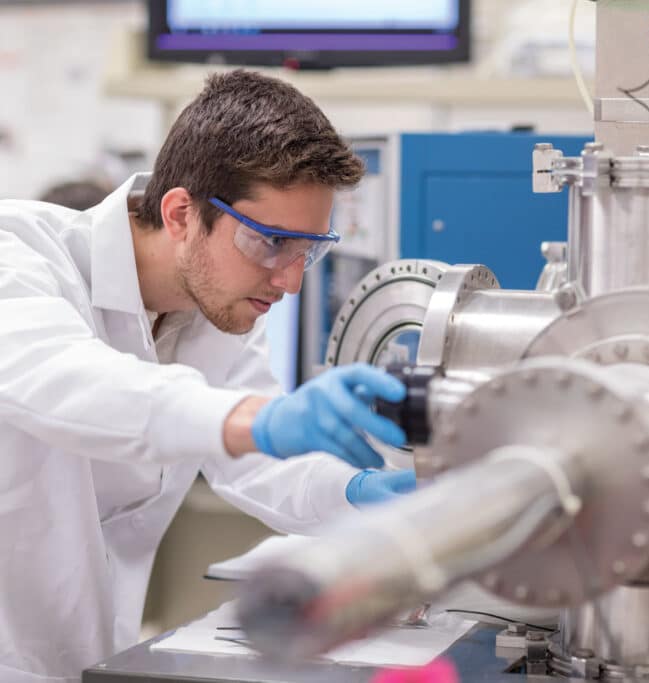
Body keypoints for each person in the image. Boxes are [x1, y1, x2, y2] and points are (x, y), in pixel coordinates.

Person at [0, 70, 417, 682]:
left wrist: (358, 493)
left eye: (309, 250)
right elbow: (69, 384)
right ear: (180, 214)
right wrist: (260, 420)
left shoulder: (214, 310)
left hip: (86, 656)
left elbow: (260, 461)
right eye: (273, 243)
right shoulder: (19, 255)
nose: (291, 281)